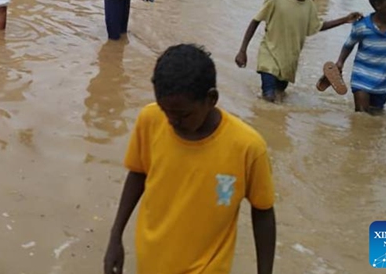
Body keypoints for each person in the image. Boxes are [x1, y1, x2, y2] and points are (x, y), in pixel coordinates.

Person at [104, 44, 276, 274]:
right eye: (166, 111)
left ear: (211, 99)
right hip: (151, 261)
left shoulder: (247, 147)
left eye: (183, 114)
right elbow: (138, 173)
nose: (172, 121)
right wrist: (115, 236)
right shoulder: (150, 120)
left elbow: (263, 212)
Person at [236, 0, 361, 102]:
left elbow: (317, 27)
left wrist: (345, 19)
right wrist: (242, 51)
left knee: (279, 96)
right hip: (269, 56)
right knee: (269, 98)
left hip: (289, 61)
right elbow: (255, 22)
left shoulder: (308, 3)